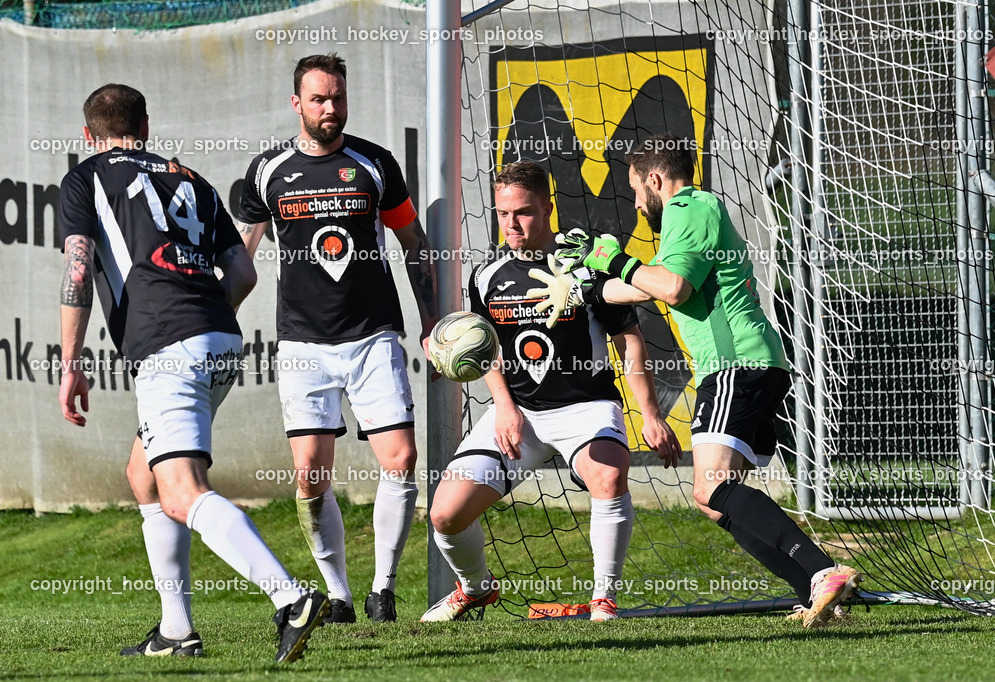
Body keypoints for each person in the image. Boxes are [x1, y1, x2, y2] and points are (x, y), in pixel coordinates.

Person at [530, 133, 862, 628]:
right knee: (715, 502)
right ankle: (817, 593)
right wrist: (585, 285)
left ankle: (821, 572)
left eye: (637, 191)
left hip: (735, 366)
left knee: (710, 489)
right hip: (745, 365)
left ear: (656, 180)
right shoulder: (693, 214)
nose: (639, 204)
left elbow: (672, 287)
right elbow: (651, 286)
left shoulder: (687, 207)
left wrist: (613, 259)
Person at [58, 83, 328, 663]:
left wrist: (72, 362)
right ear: (146, 126)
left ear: (88, 136)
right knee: (145, 475)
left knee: (182, 492)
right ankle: (176, 629)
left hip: (168, 345)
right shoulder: (190, 178)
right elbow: (242, 272)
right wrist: (201, 321)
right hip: (220, 337)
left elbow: (78, 269)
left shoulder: (86, 177)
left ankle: (291, 598)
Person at [420, 160, 681, 623]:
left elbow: (629, 339)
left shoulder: (585, 260)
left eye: (522, 212)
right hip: (519, 413)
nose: (511, 224)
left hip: (586, 407)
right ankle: (476, 589)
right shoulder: (486, 276)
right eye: (502, 214)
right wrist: (503, 406)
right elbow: (487, 350)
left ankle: (604, 600)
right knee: (446, 514)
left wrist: (650, 414)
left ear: (547, 208)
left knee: (608, 476)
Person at [236, 53, 439, 624]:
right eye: (320, 99)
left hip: (372, 335)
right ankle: (339, 596)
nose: (331, 109)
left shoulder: (374, 163)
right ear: (296, 103)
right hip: (303, 343)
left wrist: (431, 320)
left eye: (339, 98)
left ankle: (382, 589)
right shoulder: (267, 170)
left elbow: (414, 243)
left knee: (401, 459)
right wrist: (218, 315)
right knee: (309, 475)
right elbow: (242, 259)